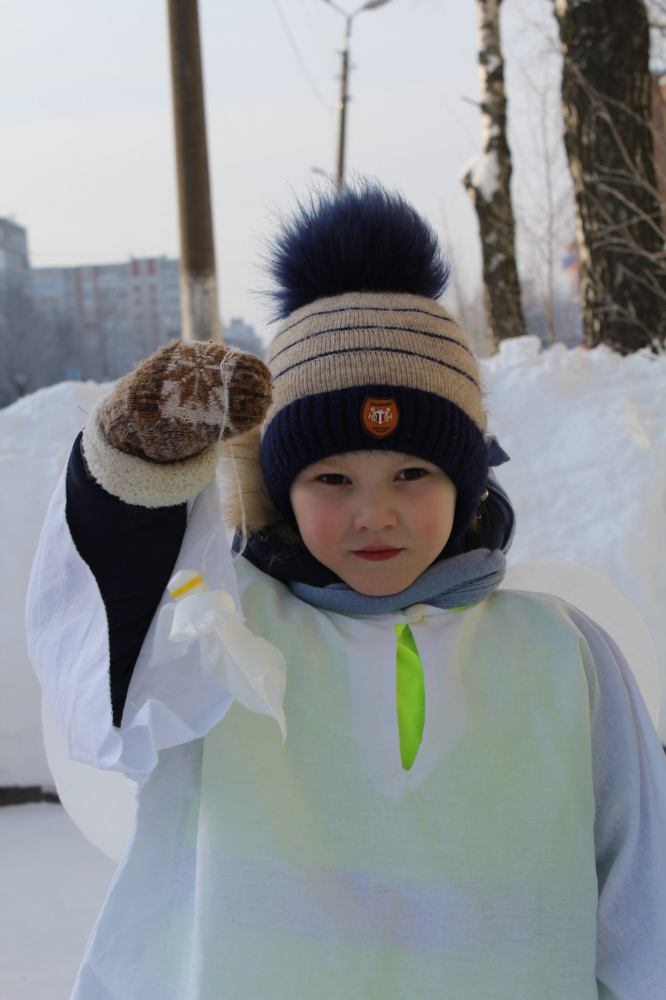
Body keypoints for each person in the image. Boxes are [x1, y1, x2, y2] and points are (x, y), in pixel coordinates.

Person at [27, 183, 666, 999]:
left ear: (468, 482)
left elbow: (642, 890)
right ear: (279, 488)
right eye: (332, 478)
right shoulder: (224, 632)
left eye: (413, 473)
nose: (375, 513)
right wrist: (132, 472)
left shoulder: (561, 653)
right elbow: (102, 642)